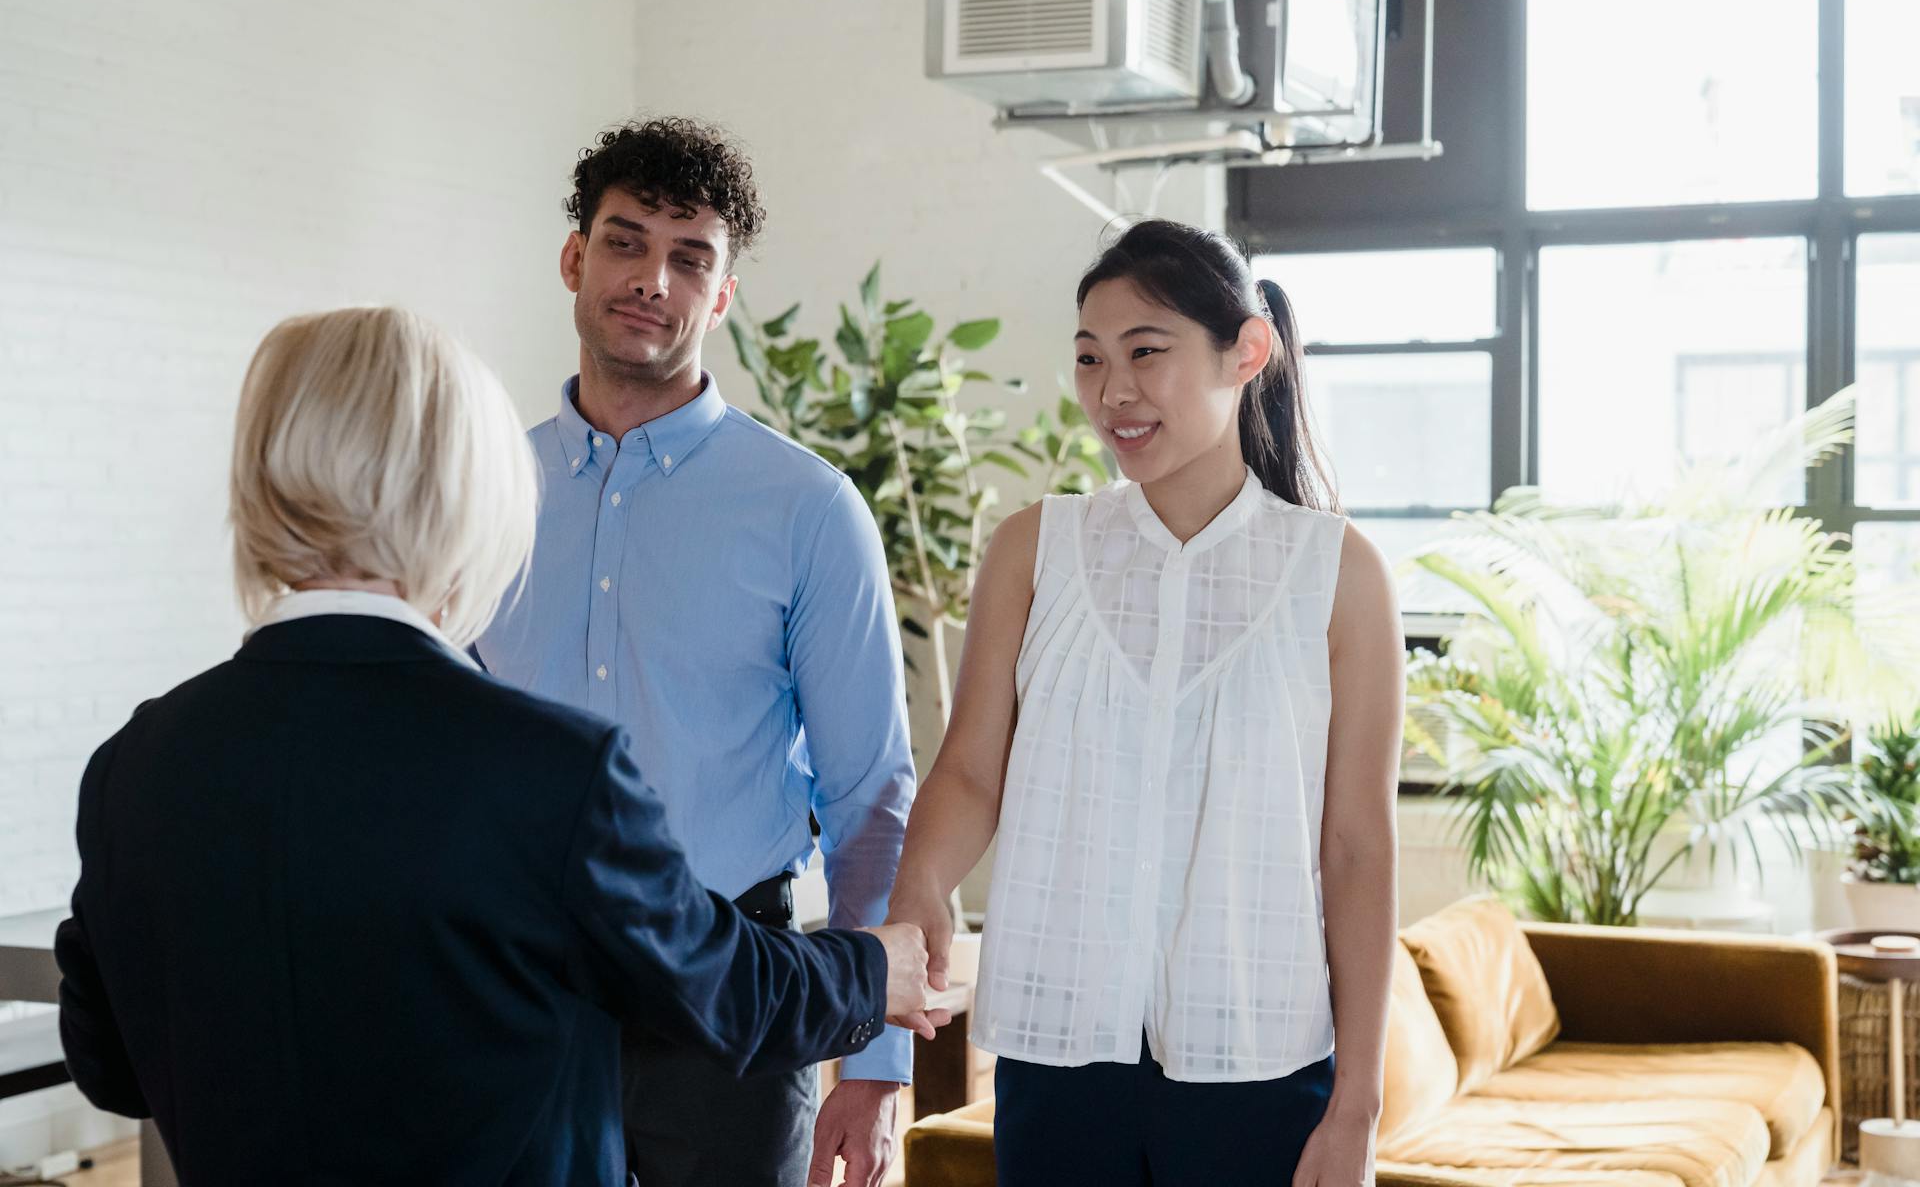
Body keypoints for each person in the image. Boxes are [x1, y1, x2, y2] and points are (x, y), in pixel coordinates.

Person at [53, 306, 943, 1187]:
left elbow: (113, 1066)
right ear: (468, 497)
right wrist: (876, 969)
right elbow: (716, 988)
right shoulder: (552, 770)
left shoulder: (135, 764)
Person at [886, 219, 1403, 1187]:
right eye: (1090, 358)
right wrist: (921, 887)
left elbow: (1357, 847)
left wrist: (1358, 1103)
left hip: (1261, 1062)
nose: (1112, 391)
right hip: (1059, 1055)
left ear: (1246, 350)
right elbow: (969, 768)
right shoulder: (1034, 550)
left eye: (1146, 352)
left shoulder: (1339, 575)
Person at [472, 117, 918, 1187]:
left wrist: (876, 1057)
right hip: (519, 984)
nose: (653, 281)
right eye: (626, 242)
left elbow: (871, 796)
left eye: (691, 258)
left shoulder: (810, 508)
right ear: (576, 258)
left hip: (733, 991)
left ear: (721, 295)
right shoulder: (480, 488)